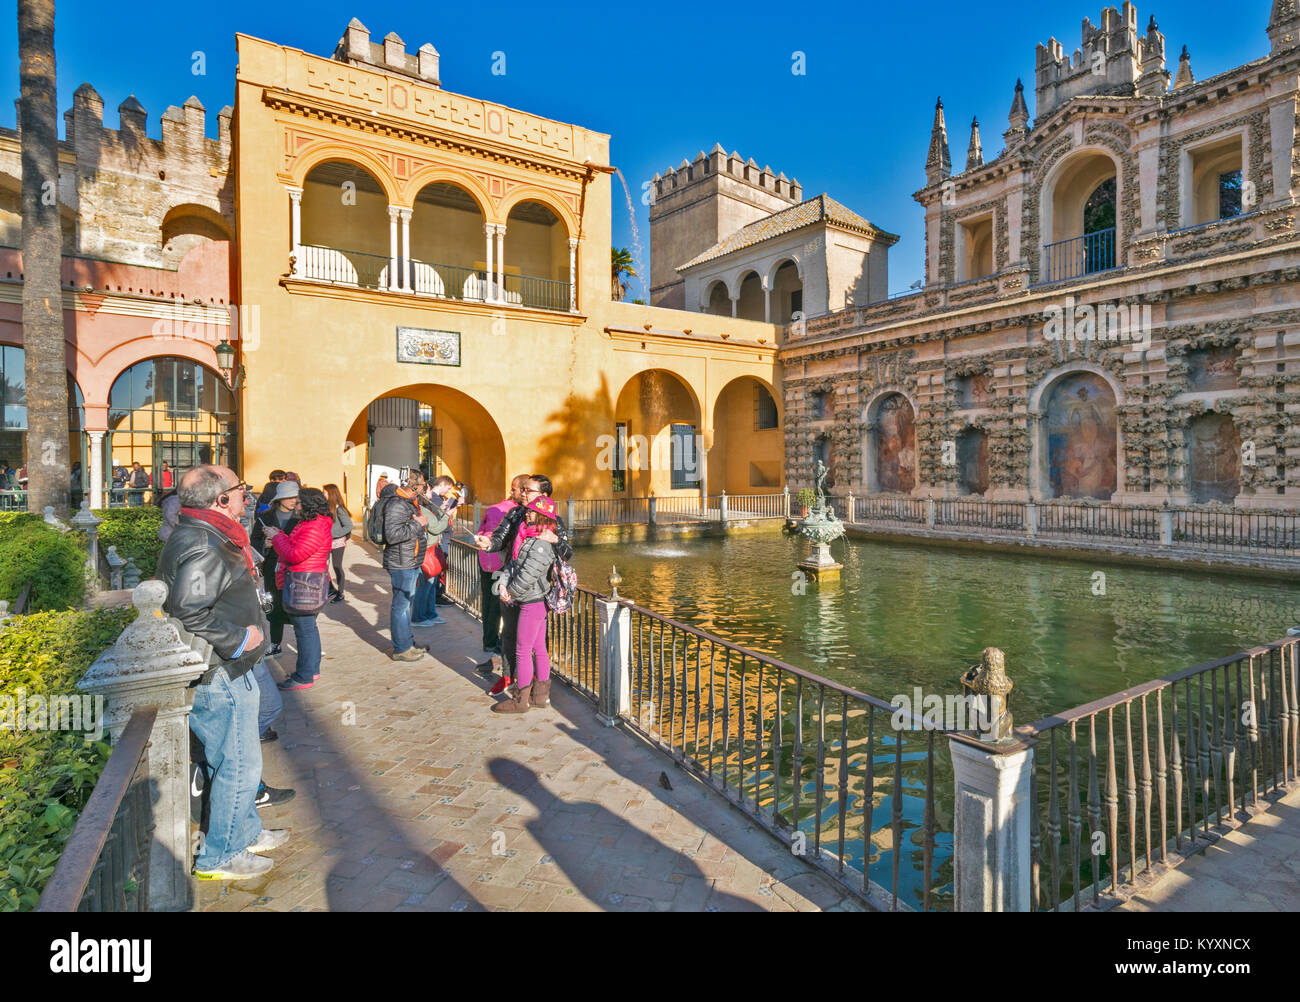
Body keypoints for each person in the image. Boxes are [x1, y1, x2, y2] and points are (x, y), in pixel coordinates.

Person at [156, 465, 290, 880]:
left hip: (232, 666)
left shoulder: (209, 532)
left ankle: (243, 832)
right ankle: (221, 856)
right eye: (240, 490)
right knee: (237, 764)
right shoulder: (205, 542)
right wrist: (239, 638)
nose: (246, 496)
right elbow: (188, 609)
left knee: (241, 759)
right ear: (221, 499)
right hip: (220, 670)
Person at [475, 475, 572, 693]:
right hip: (511, 578)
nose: (522, 493)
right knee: (509, 633)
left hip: (538, 587)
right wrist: (489, 543)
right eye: (523, 490)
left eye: (529, 490)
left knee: (536, 640)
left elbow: (567, 553)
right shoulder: (516, 513)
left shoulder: (553, 521)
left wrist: (556, 540)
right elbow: (501, 537)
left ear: (544, 495)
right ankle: (509, 676)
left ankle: (537, 683)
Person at [490, 494, 560, 713]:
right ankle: (540, 696)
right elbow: (515, 564)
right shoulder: (530, 537)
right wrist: (504, 585)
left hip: (533, 601)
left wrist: (511, 592)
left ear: (541, 517)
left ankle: (521, 699)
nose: (527, 513)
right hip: (531, 599)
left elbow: (528, 574)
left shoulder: (541, 543)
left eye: (531, 511)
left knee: (523, 650)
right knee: (538, 648)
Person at [265, 487, 333, 690]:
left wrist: (277, 538)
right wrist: (279, 535)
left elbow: (295, 555)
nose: (296, 505)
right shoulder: (311, 523)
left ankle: (304, 676)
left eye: (299, 502)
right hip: (305, 580)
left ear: (308, 505)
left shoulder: (314, 526)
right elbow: (296, 547)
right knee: (308, 629)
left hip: (305, 583)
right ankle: (311, 670)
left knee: (304, 631)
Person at [474, 475, 528, 674]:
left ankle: (491, 643)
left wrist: (487, 544)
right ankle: (504, 656)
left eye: (513, 488)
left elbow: (485, 532)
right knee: (503, 607)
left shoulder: (499, 510)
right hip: (501, 564)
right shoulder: (512, 512)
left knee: (490, 602)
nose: (510, 491)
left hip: (489, 561)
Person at [376, 475, 430, 661]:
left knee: (406, 605)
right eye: (423, 485)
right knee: (401, 606)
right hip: (402, 562)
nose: (424, 489)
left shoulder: (407, 502)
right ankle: (401, 648)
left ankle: (407, 643)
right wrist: (418, 524)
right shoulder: (397, 504)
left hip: (409, 560)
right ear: (415, 486)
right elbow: (393, 535)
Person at [252, 480, 300, 656]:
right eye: (289, 497)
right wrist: (264, 544)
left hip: (294, 566)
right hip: (273, 565)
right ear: (280, 499)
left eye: (295, 496)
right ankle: (275, 643)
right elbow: (254, 540)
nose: (293, 500)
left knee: (297, 606)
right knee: (274, 605)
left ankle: (303, 642)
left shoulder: (302, 516)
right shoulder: (265, 517)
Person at [412, 474, 459, 627]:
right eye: (428, 491)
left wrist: (443, 510)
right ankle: (419, 617)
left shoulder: (426, 507)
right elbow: (437, 527)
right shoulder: (421, 509)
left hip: (432, 548)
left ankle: (430, 613)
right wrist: (447, 515)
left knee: (431, 585)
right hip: (426, 550)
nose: (430, 493)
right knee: (425, 585)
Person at [324, 483, 353, 603]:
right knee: (322, 567)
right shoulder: (326, 508)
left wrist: (335, 535)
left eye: (324, 492)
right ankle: (330, 589)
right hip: (325, 542)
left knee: (337, 567)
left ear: (331, 493)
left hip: (337, 543)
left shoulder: (339, 509)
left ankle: (340, 593)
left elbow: (349, 526)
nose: (323, 494)